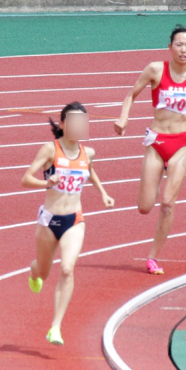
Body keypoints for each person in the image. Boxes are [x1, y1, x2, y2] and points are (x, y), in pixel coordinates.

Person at [114, 24, 186, 275]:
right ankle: (156, 177)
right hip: (157, 141)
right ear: (170, 47)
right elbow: (131, 94)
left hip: (182, 143)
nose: (183, 49)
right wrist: (123, 118)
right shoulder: (155, 69)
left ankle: (153, 258)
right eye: (179, 44)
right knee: (145, 206)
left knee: (168, 203)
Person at [21, 102, 114, 345]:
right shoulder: (50, 150)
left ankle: (56, 327)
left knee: (67, 269)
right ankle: (34, 272)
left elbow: (89, 170)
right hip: (49, 220)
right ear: (63, 124)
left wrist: (103, 192)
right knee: (44, 270)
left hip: (74, 219)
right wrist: (47, 183)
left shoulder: (88, 152)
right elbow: (26, 179)